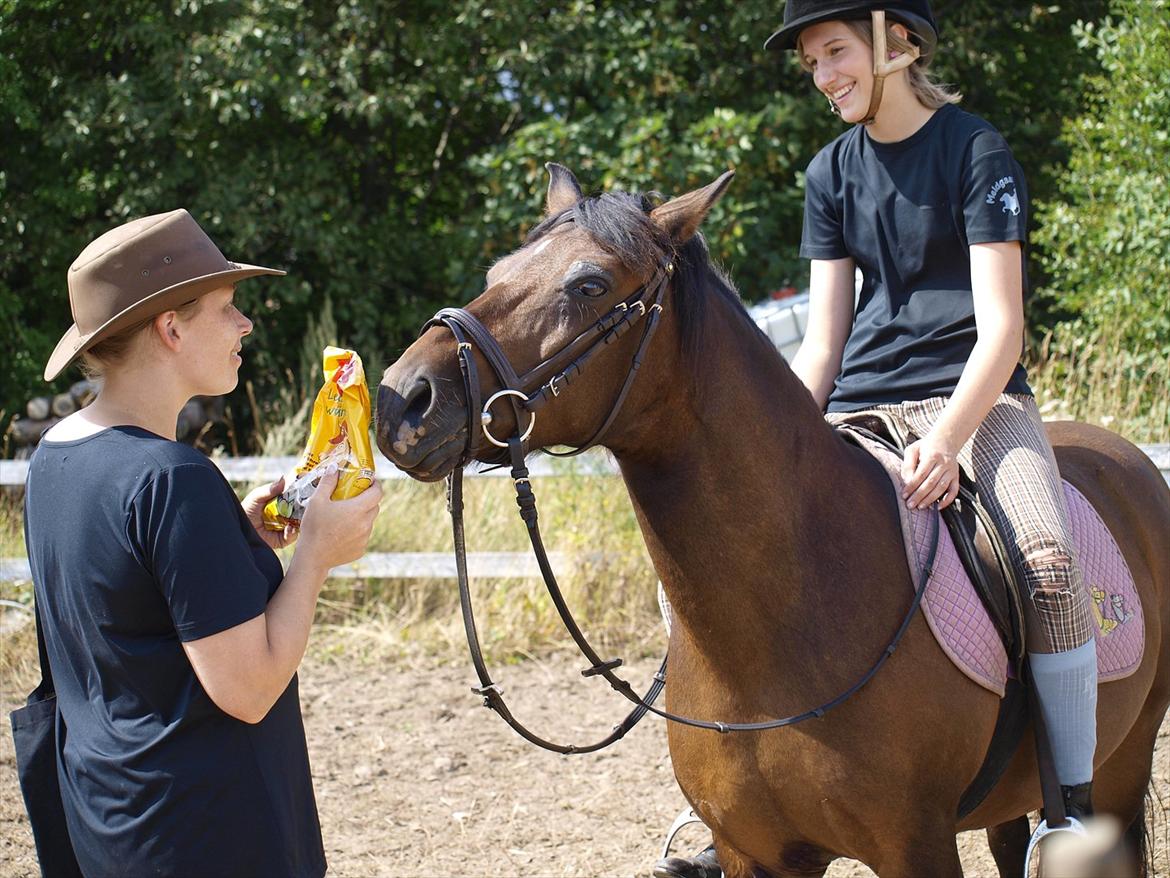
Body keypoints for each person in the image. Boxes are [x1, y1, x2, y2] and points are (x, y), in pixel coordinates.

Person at [654, 3, 1096, 876]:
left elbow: (1002, 328)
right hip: (861, 409)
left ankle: (1069, 810)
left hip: (976, 402)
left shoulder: (977, 152)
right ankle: (736, 811)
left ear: (896, 44)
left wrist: (952, 439)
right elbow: (822, 341)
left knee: (1045, 557)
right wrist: (786, 443)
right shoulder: (829, 172)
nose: (824, 76)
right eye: (814, 62)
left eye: (835, 53)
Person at [25, 208, 383, 877]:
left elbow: (130, 611)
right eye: (227, 308)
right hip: (204, 835)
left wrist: (235, 540)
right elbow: (248, 690)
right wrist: (316, 556)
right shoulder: (172, 479)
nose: (245, 324)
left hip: (107, 822)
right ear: (170, 327)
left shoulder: (56, 455)